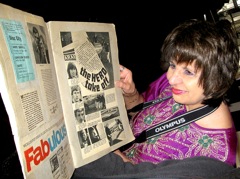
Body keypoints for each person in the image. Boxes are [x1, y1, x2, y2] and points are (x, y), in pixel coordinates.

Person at [73, 19, 240, 178]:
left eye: (188, 72)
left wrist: (103, 147)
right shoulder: (181, 89)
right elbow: (143, 114)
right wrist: (131, 94)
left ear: (217, 80)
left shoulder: (214, 157)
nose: (171, 78)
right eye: (173, 65)